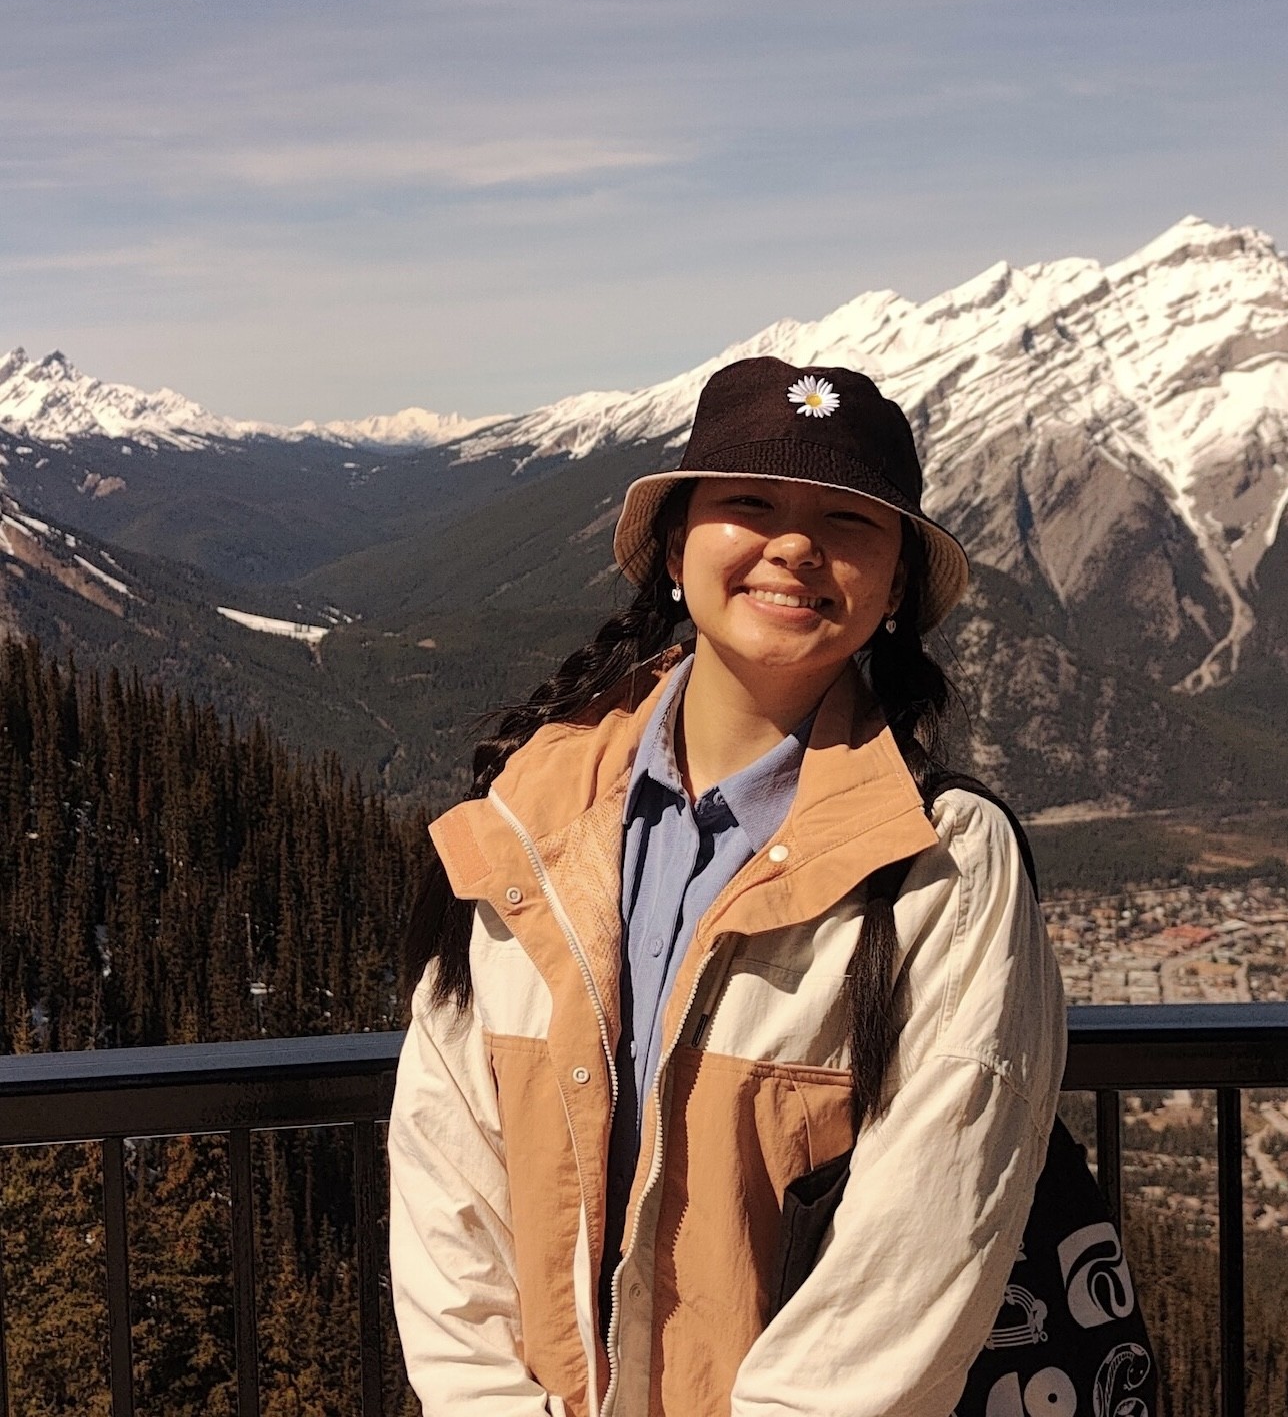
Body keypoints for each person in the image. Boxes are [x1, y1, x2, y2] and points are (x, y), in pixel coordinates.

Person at [388, 356, 1067, 1417]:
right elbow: (447, 1166)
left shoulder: (940, 862)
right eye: (750, 504)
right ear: (675, 549)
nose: (794, 545)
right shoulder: (528, 811)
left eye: (848, 520)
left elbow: (917, 1252)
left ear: (894, 588)